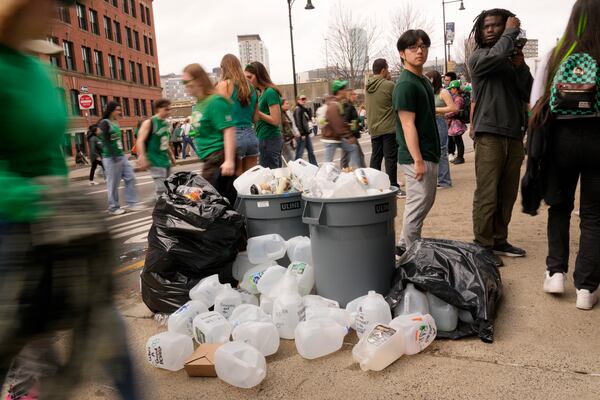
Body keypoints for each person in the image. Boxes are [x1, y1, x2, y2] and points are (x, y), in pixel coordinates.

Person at [0, 1, 138, 398]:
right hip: (11, 227)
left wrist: (61, 198)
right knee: (17, 334)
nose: (56, 12)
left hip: (56, 222)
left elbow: (47, 153)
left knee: (105, 325)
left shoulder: (39, 70)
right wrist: (32, 195)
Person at [526, 0, 600, 309]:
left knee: (559, 207)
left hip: (559, 141)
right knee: (594, 215)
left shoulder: (555, 55)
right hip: (598, 141)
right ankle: (586, 288)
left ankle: (555, 273)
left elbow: (535, 103)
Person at [468, 8, 533, 257]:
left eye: (498, 26)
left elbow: (528, 93)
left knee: (507, 194)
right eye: (487, 27)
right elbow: (494, 58)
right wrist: (509, 32)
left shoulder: (508, 61)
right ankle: (483, 245)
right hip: (489, 136)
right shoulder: (480, 58)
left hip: (514, 136)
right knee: (487, 194)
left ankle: (499, 240)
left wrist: (521, 67)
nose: (492, 30)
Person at [393, 30, 440, 251]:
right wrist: (417, 159)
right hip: (416, 157)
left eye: (423, 46)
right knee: (417, 205)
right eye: (412, 47)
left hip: (428, 152)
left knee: (423, 203)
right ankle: (410, 256)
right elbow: (407, 124)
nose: (419, 51)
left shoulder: (421, 80)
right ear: (402, 53)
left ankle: (405, 246)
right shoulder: (405, 84)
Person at [183, 63, 237, 204]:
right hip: (210, 159)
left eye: (187, 81)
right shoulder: (199, 104)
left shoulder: (215, 101)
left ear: (199, 80)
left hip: (218, 158)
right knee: (217, 204)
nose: (185, 85)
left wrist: (229, 160)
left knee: (209, 203)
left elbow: (229, 130)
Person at [216, 54, 259, 174]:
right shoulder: (251, 87)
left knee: (237, 182)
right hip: (251, 136)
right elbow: (256, 118)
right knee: (251, 180)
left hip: (233, 137)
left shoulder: (224, 85)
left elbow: (218, 114)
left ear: (223, 68)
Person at [365, 58, 402, 195]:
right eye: (388, 69)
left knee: (376, 157)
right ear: (383, 70)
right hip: (388, 128)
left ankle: (372, 187)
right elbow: (398, 104)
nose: (389, 71)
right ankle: (393, 187)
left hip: (374, 128)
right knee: (390, 159)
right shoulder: (389, 85)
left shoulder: (367, 87)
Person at [99, 101, 142, 215]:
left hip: (121, 155)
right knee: (113, 183)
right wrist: (114, 155)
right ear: (111, 110)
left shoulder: (116, 122)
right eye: (117, 109)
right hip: (111, 157)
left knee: (130, 177)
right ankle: (113, 208)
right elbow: (106, 142)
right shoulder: (104, 122)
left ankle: (132, 203)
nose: (119, 111)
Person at [244, 62, 283, 169]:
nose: (248, 81)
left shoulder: (270, 92)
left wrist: (257, 112)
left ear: (259, 75)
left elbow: (276, 120)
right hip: (264, 139)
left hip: (269, 139)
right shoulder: (261, 93)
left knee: (270, 177)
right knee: (274, 176)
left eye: (250, 77)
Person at [136, 98, 177, 198]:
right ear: (158, 109)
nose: (169, 112)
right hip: (154, 160)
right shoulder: (150, 122)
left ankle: (154, 204)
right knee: (161, 189)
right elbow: (140, 140)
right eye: (166, 109)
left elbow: (164, 142)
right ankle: (156, 208)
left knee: (168, 188)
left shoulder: (165, 123)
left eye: (170, 109)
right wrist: (142, 157)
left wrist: (171, 155)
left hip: (164, 160)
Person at [426, 70, 457, 189]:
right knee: (431, 151)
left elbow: (453, 108)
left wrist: (436, 110)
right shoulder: (428, 91)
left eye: (429, 78)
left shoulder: (443, 92)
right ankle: (436, 179)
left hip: (439, 121)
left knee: (442, 151)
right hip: (429, 122)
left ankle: (444, 180)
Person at [322, 80, 360, 168]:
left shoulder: (337, 103)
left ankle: (355, 171)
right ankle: (323, 180)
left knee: (353, 148)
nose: (345, 91)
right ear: (339, 91)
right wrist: (349, 136)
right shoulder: (334, 105)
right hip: (330, 138)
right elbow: (337, 125)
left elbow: (340, 122)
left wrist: (347, 128)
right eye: (343, 89)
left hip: (335, 136)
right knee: (327, 166)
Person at [342, 90, 366, 168]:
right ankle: (363, 174)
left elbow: (353, 121)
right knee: (359, 157)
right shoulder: (349, 107)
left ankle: (343, 173)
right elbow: (345, 122)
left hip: (348, 136)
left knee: (345, 158)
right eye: (354, 94)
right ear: (350, 95)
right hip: (350, 136)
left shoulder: (349, 106)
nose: (356, 95)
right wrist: (357, 127)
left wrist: (359, 126)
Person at [446, 80, 467, 165]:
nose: (451, 90)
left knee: (458, 140)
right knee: (457, 140)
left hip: (456, 123)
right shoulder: (457, 97)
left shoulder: (458, 99)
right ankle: (459, 157)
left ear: (455, 89)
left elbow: (455, 110)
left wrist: (445, 114)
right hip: (455, 122)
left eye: (452, 88)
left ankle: (460, 157)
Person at [293, 95, 318, 165]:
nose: (304, 100)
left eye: (305, 99)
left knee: (310, 151)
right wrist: (302, 134)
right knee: (300, 153)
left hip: (306, 134)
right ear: (298, 100)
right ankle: (295, 167)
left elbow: (308, 119)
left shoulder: (303, 109)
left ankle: (314, 166)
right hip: (302, 135)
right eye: (302, 99)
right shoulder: (298, 109)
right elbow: (298, 122)